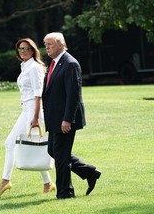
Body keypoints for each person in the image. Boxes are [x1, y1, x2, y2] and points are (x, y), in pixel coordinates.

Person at [0, 38, 56, 196]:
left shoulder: (34, 67)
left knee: (14, 144)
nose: (23, 51)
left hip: (34, 110)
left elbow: (38, 94)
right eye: (20, 49)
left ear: (33, 50)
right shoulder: (25, 66)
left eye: (26, 49)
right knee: (31, 146)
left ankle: (5, 181)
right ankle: (48, 183)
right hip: (26, 109)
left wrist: (35, 117)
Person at [42, 32, 101, 199]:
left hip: (65, 119)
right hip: (54, 118)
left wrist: (67, 119)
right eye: (45, 44)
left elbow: (73, 95)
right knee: (54, 150)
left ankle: (65, 193)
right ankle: (89, 172)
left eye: (50, 44)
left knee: (61, 156)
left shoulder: (70, 64)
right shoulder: (53, 63)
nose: (47, 47)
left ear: (61, 45)